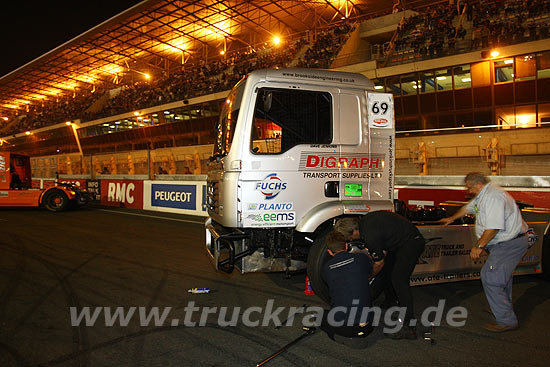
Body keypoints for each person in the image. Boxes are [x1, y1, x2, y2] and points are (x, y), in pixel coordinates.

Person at [439, 172, 528, 332]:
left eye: (470, 188)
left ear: (478, 184)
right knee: (502, 278)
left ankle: (506, 320)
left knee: (490, 277)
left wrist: (478, 246)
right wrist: (452, 218)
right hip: (506, 243)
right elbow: (468, 208)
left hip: (508, 244)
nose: (469, 191)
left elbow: (494, 227)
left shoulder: (493, 197)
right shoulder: (484, 195)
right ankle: (501, 307)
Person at [334, 211, 425, 339]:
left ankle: (409, 326)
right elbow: (383, 249)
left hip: (412, 243)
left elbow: (379, 263)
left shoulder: (369, 234)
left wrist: (369, 277)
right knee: (388, 271)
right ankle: (391, 300)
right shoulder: (365, 221)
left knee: (399, 280)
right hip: (400, 241)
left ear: (354, 231)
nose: (350, 240)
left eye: (348, 238)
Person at [320, 231, 374, 345]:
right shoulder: (361, 259)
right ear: (346, 246)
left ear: (329, 252)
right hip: (368, 325)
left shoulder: (327, 268)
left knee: (319, 316)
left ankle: (342, 337)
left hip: (344, 328)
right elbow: (371, 271)